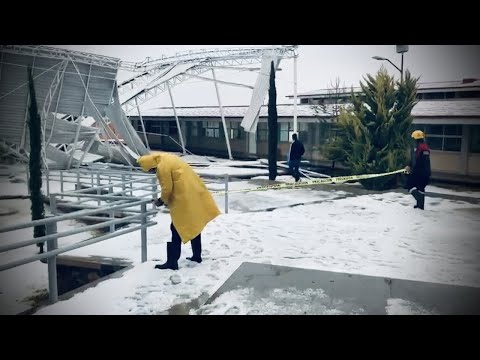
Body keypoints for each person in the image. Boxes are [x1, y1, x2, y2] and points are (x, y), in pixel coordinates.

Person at [137, 152, 221, 270]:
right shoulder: (168, 158)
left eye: (151, 171)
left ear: (151, 166)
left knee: (176, 227)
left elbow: (167, 188)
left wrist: (160, 201)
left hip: (183, 199)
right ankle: (197, 256)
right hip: (194, 193)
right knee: (194, 224)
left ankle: (172, 262)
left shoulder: (162, 167)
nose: (153, 173)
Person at [405, 130, 431, 210]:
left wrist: (413, 171)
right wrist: (409, 165)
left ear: (416, 139)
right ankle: (420, 206)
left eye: (413, 139)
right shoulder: (418, 148)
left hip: (421, 173)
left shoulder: (423, 149)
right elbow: (413, 159)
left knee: (410, 185)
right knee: (420, 189)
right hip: (421, 172)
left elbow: (422, 162)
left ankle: (419, 201)